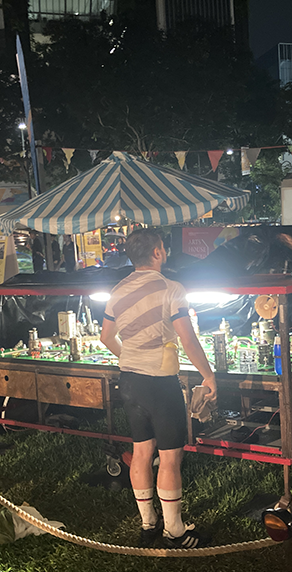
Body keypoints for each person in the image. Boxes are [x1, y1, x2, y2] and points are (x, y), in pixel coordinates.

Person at [100, 229, 216, 549]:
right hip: (161, 382)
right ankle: (175, 531)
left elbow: (106, 337)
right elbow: (188, 339)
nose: (165, 252)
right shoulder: (171, 289)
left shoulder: (117, 290)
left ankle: (148, 524)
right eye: (163, 248)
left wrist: (129, 356)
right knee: (169, 457)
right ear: (156, 253)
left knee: (141, 452)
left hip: (130, 381)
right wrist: (208, 375)